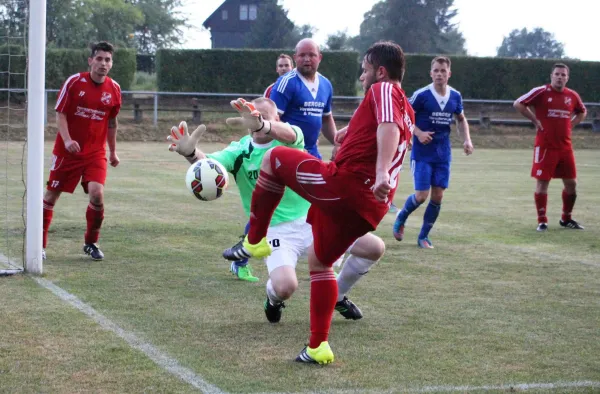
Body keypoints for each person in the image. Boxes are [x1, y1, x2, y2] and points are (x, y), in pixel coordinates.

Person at [223, 41, 414, 365]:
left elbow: (386, 127)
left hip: (348, 186)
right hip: (370, 208)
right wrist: (348, 133)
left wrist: (380, 170)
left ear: (380, 71)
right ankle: (317, 347)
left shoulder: (383, 90)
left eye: (365, 69)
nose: (362, 76)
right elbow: (386, 128)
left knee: (273, 158)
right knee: (321, 262)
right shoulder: (406, 106)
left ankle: (254, 241)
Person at [167, 97, 381, 324]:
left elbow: (290, 133)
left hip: (315, 219)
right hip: (276, 232)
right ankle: (273, 300)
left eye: (262, 117)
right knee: (286, 287)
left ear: (276, 119)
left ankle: (338, 294)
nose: (255, 122)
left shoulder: (289, 140)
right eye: (251, 118)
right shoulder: (239, 151)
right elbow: (210, 166)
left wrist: (264, 125)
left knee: (374, 248)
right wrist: (191, 154)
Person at [42, 41, 122, 261]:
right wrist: (67, 141)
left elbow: (112, 123)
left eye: (107, 59)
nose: (103, 63)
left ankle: (91, 243)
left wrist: (113, 152)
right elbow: (60, 114)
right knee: (51, 195)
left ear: (111, 63)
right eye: (99, 59)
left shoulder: (114, 89)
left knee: (97, 194)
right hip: (67, 152)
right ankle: (39, 245)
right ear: (90, 61)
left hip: (95, 153)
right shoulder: (74, 82)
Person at [226, 53, 295, 282]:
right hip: (278, 141)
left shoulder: (316, 84)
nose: (284, 68)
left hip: (301, 144)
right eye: (281, 66)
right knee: (270, 207)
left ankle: (331, 266)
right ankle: (244, 254)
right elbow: (266, 119)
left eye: (287, 65)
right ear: (276, 69)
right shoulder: (273, 91)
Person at [392, 56, 473, 249]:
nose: (439, 74)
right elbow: (404, 115)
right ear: (431, 73)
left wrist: (467, 140)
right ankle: (401, 216)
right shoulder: (422, 95)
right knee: (421, 196)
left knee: (438, 196)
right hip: (422, 153)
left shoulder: (455, 96)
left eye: (443, 71)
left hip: (443, 153)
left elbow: (461, 119)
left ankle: (423, 237)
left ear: (449, 74)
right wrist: (417, 134)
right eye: (436, 70)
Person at [514, 63, 587, 231]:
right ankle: (542, 220)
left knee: (571, 184)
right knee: (542, 183)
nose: (560, 77)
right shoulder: (541, 91)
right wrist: (535, 120)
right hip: (546, 146)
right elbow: (518, 104)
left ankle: (566, 218)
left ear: (567, 78)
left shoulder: (572, 95)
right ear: (551, 76)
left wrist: (571, 124)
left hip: (565, 147)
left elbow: (582, 111)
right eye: (557, 74)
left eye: (563, 75)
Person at [269, 38, 336, 159]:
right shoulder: (286, 83)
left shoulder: (326, 84)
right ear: (295, 58)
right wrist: (294, 144)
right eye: (302, 55)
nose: (307, 59)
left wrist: (338, 144)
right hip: (288, 153)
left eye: (312, 55)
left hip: (313, 153)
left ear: (320, 57)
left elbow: (326, 119)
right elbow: (271, 121)